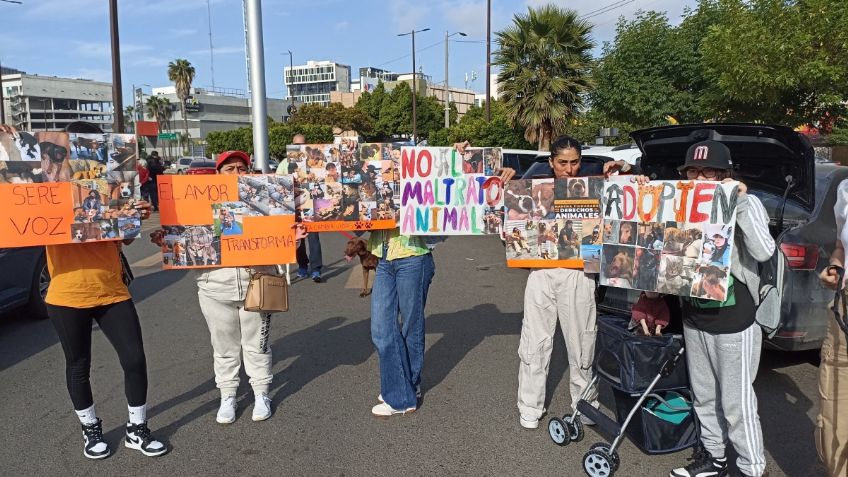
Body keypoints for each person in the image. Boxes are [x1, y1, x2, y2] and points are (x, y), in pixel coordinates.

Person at [0, 122, 169, 460]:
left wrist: (135, 216)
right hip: (65, 295)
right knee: (78, 365)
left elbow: (124, 239)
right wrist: (11, 144)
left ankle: (138, 428)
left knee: (134, 359)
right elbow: (18, 207)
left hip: (111, 290)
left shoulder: (110, 186)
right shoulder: (45, 188)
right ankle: (90, 429)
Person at [645, 140, 774, 477]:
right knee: (703, 397)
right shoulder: (680, 207)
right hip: (694, 315)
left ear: (724, 174)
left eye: (709, 171)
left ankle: (752, 469)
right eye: (693, 171)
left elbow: (764, 251)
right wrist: (643, 193)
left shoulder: (748, 201)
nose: (700, 177)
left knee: (737, 405)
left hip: (735, 318)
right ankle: (714, 460)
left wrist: (741, 202)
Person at [151, 150, 307, 424]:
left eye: (241, 168)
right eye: (229, 169)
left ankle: (261, 392)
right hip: (214, 287)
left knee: (257, 345)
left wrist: (292, 238)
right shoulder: (200, 203)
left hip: (257, 284)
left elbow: (278, 246)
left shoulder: (267, 200)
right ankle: (228, 395)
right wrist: (170, 242)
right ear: (218, 174)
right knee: (224, 348)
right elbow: (189, 244)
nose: (237, 173)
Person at [368, 143, 514, 418]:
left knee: (411, 325)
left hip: (414, 256)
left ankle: (403, 394)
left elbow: (453, 179)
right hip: (384, 257)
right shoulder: (380, 183)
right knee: (381, 328)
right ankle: (403, 386)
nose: (393, 167)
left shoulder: (419, 178)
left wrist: (455, 154)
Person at [518, 135, 634, 430]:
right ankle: (529, 406)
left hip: (580, 275)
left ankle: (585, 404)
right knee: (535, 342)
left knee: (582, 343)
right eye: (562, 162)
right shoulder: (533, 191)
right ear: (551, 162)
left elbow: (635, 191)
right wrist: (504, 176)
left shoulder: (596, 189)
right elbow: (501, 210)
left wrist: (623, 168)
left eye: (574, 162)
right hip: (539, 273)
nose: (569, 169)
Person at [817, 179, 848, 477]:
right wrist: (836, 268)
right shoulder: (846, 189)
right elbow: (840, 245)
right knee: (835, 422)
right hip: (844, 309)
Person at [289, 134, 324, 282]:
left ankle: (316, 269)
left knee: (314, 238)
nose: (300, 146)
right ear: (292, 144)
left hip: (311, 204)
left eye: (303, 144)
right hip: (295, 206)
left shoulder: (315, 163)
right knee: (298, 240)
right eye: (297, 144)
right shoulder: (287, 162)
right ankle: (303, 266)